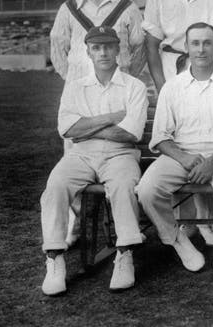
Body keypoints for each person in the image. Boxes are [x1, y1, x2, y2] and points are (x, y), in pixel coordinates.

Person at [40, 26, 148, 295]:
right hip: (81, 154)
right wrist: (111, 117)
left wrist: (86, 126)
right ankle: (55, 259)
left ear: (118, 50)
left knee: (123, 185)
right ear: (88, 52)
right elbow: (67, 129)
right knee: (55, 186)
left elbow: (130, 132)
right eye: (97, 48)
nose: (103, 52)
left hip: (120, 153)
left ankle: (124, 255)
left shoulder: (134, 86)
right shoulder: (76, 87)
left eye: (108, 46)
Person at [49, 0, 145, 247]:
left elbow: (138, 48)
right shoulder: (68, 8)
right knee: (74, 160)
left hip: (118, 89)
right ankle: (76, 222)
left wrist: (124, 75)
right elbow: (57, 49)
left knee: (117, 159)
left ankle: (123, 227)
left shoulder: (127, 7)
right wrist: (77, 81)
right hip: (81, 94)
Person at [143, 0, 213, 245]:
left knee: (207, 132)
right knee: (181, 138)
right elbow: (152, 46)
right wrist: (161, 85)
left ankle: (205, 220)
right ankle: (185, 222)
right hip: (172, 69)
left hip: (208, 65)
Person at [137, 22, 213, 273]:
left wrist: (211, 163)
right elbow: (162, 137)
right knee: (147, 190)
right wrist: (184, 158)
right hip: (181, 154)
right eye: (195, 43)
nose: (201, 49)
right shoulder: (172, 87)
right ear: (186, 47)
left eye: (207, 43)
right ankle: (177, 239)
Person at [50, 0, 145, 84]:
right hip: (79, 88)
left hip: (118, 88)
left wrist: (126, 78)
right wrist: (74, 79)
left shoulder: (128, 9)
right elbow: (58, 51)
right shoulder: (68, 9)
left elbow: (140, 50)